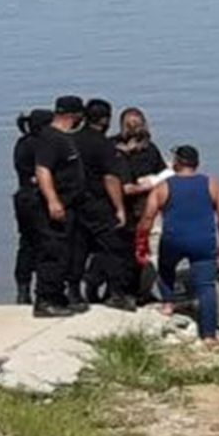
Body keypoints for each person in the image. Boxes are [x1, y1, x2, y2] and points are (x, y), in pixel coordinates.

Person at [135, 145, 219, 344]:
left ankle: (168, 303)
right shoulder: (212, 184)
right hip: (203, 241)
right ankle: (208, 335)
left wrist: (141, 245)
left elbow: (147, 218)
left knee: (165, 267)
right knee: (206, 287)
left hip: (174, 239)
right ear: (196, 163)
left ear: (176, 163)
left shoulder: (163, 186)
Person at [72, 99, 135, 311]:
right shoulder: (103, 144)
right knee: (112, 248)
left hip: (76, 202)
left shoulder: (71, 140)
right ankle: (116, 294)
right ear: (106, 120)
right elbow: (110, 178)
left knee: (78, 248)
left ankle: (74, 293)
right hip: (99, 202)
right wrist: (119, 208)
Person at [32, 96, 88, 318]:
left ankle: (58, 296)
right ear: (73, 115)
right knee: (53, 251)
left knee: (65, 252)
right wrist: (53, 200)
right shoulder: (51, 138)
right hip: (57, 206)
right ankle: (45, 300)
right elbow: (43, 170)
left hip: (70, 204)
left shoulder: (64, 138)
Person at [112, 107, 168, 299]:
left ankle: (142, 291)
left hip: (146, 208)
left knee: (148, 253)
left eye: (137, 124)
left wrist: (157, 180)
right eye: (130, 124)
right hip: (121, 207)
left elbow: (162, 173)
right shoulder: (113, 149)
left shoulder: (150, 149)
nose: (134, 128)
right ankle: (121, 290)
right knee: (124, 252)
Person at [12, 108, 53, 305]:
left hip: (23, 197)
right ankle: (43, 291)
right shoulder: (42, 146)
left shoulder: (22, 143)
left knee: (26, 243)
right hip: (38, 199)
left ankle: (23, 289)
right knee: (47, 243)